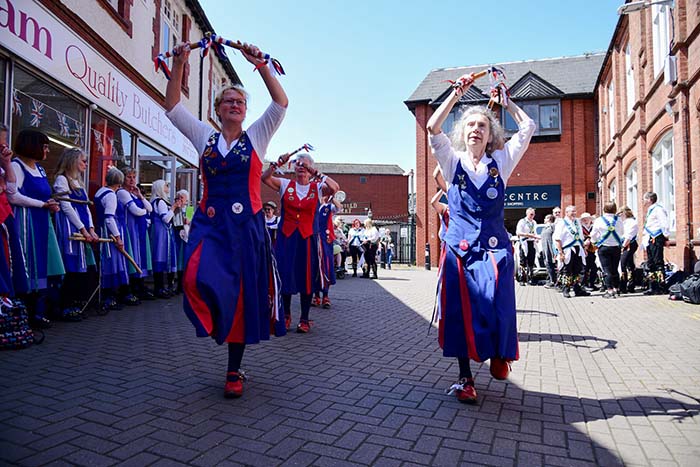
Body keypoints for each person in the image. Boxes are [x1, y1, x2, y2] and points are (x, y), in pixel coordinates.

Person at [165, 40, 288, 398]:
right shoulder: (204, 136)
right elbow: (172, 107)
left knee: (240, 298)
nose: (235, 105)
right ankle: (212, 320)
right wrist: (180, 63)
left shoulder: (257, 137)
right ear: (217, 109)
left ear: (245, 111)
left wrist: (261, 64)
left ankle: (234, 370)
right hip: (210, 224)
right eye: (228, 101)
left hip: (246, 227)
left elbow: (280, 104)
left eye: (240, 102)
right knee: (192, 275)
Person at [426, 72, 536, 404]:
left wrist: (508, 103)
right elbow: (432, 127)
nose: (476, 128)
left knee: (495, 303)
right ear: (463, 132)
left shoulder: (500, 162)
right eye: (471, 124)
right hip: (459, 249)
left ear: (490, 136)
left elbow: (528, 127)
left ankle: (500, 353)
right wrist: (457, 95)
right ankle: (465, 378)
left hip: (493, 249)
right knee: (460, 310)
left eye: (483, 126)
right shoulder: (450, 159)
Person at [262, 152, 339, 332]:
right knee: (285, 274)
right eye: (297, 164)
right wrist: (277, 163)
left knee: (307, 277)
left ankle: (304, 318)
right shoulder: (285, 184)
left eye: (304, 165)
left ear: (310, 168)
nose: (300, 167)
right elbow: (264, 178)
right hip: (287, 238)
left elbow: (335, 188)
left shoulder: (317, 188)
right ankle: (287, 315)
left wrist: (316, 172)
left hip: (307, 238)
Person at [8, 129, 65, 328]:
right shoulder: (17, 166)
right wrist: (42, 205)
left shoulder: (39, 169)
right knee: (29, 262)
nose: (47, 151)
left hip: (42, 221)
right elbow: (12, 196)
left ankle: (40, 309)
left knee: (47, 263)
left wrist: (48, 203)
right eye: (45, 146)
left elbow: (40, 195)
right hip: (26, 222)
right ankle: (29, 312)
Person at [53, 147, 99, 319]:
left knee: (82, 268)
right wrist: (83, 229)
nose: (86, 164)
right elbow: (66, 207)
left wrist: (91, 229)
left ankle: (74, 303)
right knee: (70, 268)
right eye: (83, 160)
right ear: (73, 161)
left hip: (81, 229)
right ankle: (64, 306)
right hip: (68, 228)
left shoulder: (78, 182)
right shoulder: (62, 180)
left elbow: (85, 208)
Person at [93, 167, 130, 310]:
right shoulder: (111, 195)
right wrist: (118, 237)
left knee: (107, 264)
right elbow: (109, 218)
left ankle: (108, 296)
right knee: (112, 264)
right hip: (109, 233)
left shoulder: (100, 192)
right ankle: (110, 298)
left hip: (101, 230)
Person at [0, 124, 27, 301]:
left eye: (4, 142)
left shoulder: (4, 164)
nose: (3, 147)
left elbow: (10, 188)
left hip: (4, 214)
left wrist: (7, 164)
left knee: (8, 261)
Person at [120, 168, 154, 300]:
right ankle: (131, 287)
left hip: (139, 228)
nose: (132, 180)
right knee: (133, 256)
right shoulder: (122, 193)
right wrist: (144, 211)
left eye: (134, 177)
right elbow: (136, 211)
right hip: (130, 228)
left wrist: (140, 196)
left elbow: (150, 208)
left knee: (140, 257)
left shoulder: (134, 193)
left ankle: (140, 285)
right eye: (129, 177)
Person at [150, 180, 179, 298]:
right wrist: (173, 208)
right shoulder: (160, 202)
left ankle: (160, 287)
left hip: (159, 232)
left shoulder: (156, 201)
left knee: (159, 258)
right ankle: (160, 288)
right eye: (166, 186)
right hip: (161, 233)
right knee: (160, 258)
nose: (168, 187)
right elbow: (166, 219)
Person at [553, 206, 590, 298]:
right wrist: (560, 253)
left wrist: (584, 249)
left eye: (575, 211)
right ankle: (566, 289)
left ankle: (577, 289)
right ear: (566, 213)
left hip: (578, 248)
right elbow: (557, 239)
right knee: (567, 270)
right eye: (572, 212)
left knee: (577, 270)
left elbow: (580, 237)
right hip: (567, 249)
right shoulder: (562, 223)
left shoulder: (577, 222)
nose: (574, 213)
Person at [312, 195, 341, 308]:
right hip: (313, 238)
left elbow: (339, 207)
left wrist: (332, 197)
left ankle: (325, 296)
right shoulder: (313, 205)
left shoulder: (329, 207)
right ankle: (316, 296)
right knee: (313, 266)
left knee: (326, 265)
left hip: (325, 241)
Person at [591, 201, 624, 298]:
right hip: (616, 247)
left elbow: (593, 234)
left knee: (606, 269)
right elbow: (622, 232)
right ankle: (616, 289)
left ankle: (609, 290)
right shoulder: (619, 220)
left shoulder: (599, 220)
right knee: (615, 269)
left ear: (604, 209)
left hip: (604, 247)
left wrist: (594, 242)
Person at [641, 192, 670, 295]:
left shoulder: (658, 209)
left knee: (658, 262)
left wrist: (666, 236)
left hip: (656, 237)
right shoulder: (650, 210)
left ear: (649, 199)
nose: (643, 201)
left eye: (644, 199)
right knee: (651, 263)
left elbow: (664, 223)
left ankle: (661, 286)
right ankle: (653, 286)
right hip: (650, 238)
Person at [516, 207, 540, 285]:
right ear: (527, 214)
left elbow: (535, 232)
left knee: (531, 262)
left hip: (532, 243)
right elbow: (518, 232)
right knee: (522, 261)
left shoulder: (534, 222)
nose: (532, 216)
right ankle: (522, 279)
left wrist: (536, 237)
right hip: (524, 243)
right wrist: (528, 235)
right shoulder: (522, 222)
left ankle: (530, 278)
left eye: (533, 214)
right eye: (531, 214)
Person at [172, 189, 190, 294]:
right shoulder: (175, 209)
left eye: (182, 198)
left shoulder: (189, 209)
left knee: (184, 260)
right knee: (178, 260)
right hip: (176, 236)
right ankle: (177, 283)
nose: (180, 200)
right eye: (178, 197)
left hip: (185, 237)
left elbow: (191, 222)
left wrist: (188, 221)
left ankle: (183, 284)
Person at [618, 206, 638, 293]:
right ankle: (630, 285)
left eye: (619, 214)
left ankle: (624, 285)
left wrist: (623, 246)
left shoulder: (632, 222)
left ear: (623, 213)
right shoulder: (624, 222)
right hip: (625, 244)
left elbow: (628, 237)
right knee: (630, 264)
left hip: (629, 244)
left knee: (623, 264)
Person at [580, 212, 599, 291]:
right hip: (583, 250)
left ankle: (592, 283)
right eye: (584, 219)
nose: (586, 220)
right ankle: (583, 284)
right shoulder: (580, 228)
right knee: (584, 268)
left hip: (592, 250)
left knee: (594, 268)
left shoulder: (593, 227)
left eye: (587, 219)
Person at [540, 214, 557, 289]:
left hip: (551, 248)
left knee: (552, 264)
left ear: (549, 219)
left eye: (545, 218)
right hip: (545, 249)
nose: (544, 219)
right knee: (548, 264)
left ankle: (554, 281)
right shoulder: (545, 228)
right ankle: (551, 279)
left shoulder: (553, 226)